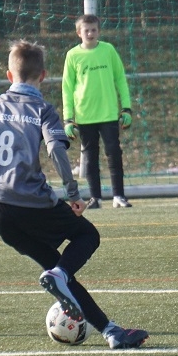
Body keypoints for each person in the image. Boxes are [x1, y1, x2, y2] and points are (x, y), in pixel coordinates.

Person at [0, 39, 148, 350]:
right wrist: (73, 193)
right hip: (32, 202)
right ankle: (66, 282)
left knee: (58, 268)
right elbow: (56, 151)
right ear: (44, 76)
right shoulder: (42, 110)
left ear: (9, 75)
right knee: (87, 236)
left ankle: (111, 332)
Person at [61, 14, 134, 209]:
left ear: (98, 31)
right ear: (79, 33)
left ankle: (119, 196)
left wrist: (126, 108)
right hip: (85, 115)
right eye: (86, 30)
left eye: (93, 29)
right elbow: (67, 88)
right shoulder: (73, 55)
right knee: (90, 158)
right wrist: (68, 118)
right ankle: (96, 198)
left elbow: (120, 79)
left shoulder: (108, 50)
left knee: (114, 153)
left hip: (108, 113)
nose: (90, 33)